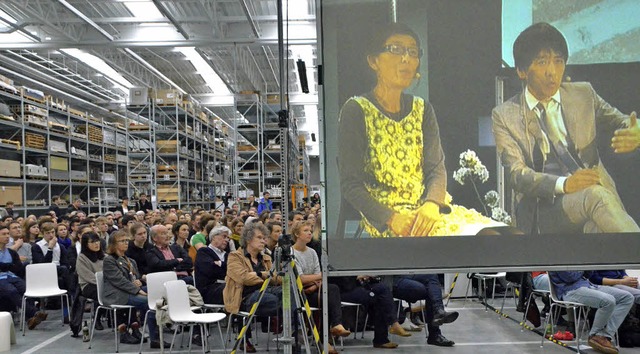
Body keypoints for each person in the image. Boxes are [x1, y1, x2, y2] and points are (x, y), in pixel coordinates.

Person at [337, 23, 500, 238]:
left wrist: (432, 204)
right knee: (487, 240)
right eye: (395, 49)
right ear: (373, 60)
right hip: (391, 220)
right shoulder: (356, 109)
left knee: (508, 237)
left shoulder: (422, 109)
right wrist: (390, 218)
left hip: (429, 211)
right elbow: (351, 184)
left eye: (412, 52)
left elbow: (436, 168)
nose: (406, 58)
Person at [492, 22, 640, 235]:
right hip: (544, 210)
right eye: (542, 62)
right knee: (595, 196)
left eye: (558, 61)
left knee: (595, 229)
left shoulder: (583, 94)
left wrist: (637, 133)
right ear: (522, 71)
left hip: (595, 201)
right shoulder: (504, 115)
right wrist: (565, 184)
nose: (552, 72)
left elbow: (624, 121)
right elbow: (517, 175)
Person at [291, 222, 349, 354]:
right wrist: (317, 278)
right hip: (300, 294)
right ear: (296, 234)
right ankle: (327, 339)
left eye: (310, 230)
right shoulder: (291, 253)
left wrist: (315, 281)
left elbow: (320, 275)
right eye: (305, 230)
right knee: (327, 298)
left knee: (332, 289)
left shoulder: (311, 252)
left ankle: (335, 327)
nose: (310, 233)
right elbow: (300, 278)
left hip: (314, 289)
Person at [223, 222, 282, 353]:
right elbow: (243, 278)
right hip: (245, 297)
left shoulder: (266, 258)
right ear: (249, 239)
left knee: (289, 294)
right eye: (259, 238)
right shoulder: (235, 256)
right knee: (276, 300)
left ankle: (293, 333)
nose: (263, 241)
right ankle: (287, 327)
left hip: (267, 291)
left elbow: (278, 278)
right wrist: (266, 277)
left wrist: (258, 274)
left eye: (264, 238)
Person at [103, 230, 166, 348]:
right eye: (122, 241)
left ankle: (157, 331)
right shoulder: (109, 260)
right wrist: (137, 290)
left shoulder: (130, 260)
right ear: (113, 244)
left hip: (129, 290)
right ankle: (155, 338)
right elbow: (119, 281)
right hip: (117, 294)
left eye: (127, 240)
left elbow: (135, 276)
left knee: (158, 294)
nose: (126, 243)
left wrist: (137, 281)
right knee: (150, 302)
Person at [549, 271, 633, 354]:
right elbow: (569, 277)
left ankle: (604, 335)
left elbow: (588, 275)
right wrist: (582, 267)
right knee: (608, 301)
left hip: (589, 285)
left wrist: (589, 266)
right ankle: (595, 335)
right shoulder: (558, 258)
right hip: (570, 291)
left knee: (627, 297)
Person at [392, 274, 458, 346]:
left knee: (432, 276)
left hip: (408, 273)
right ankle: (435, 334)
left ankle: (439, 311)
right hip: (391, 277)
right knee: (430, 290)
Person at [0, 225, 45, 328]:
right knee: (12, 291)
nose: (7, 236)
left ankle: (30, 318)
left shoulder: (11, 252)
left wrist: (6, 266)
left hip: (12, 276)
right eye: (4, 234)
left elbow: (18, 268)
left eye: (7, 234)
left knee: (26, 288)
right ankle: (34, 313)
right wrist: (9, 266)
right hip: (1, 279)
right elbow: (11, 266)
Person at [70, 232, 105, 336]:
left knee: (113, 292)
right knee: (104, 293)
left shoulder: (104, 256)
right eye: (92, 242)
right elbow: (87, 276)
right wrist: (104, 283)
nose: (96, 244)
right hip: (88, 286)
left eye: (97, 241)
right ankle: (97, 318)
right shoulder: (82, 258)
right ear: (85, 244)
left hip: (105, 284)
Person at [195, 226, 230, 305]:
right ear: (214, 237)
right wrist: (225, 267)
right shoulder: (203, 252)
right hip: (209, 290)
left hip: (225, 285)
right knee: (233, 288)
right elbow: (210, 270)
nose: (227, 240)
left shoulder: (228, 255)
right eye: (224, 236)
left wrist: (220, 264)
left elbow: (233, 270)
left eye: (228, 238)